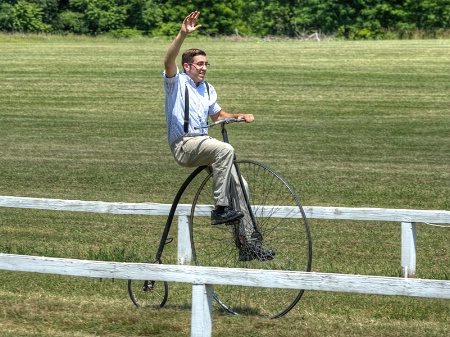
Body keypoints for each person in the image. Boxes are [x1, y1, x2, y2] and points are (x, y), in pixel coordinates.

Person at [163, 11, 275, 261]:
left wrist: (238, 116)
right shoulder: (175, 83)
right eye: (199, 64)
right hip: (185, 144)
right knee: (225, 149)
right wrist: (182, 34)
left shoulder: (207, 89)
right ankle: (220, 209)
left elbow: (218, 115)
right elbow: (168, 59)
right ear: (187, 67)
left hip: (204, 145)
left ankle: (246, 246)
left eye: (205, 64)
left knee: (241, 186)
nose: (204, 68)